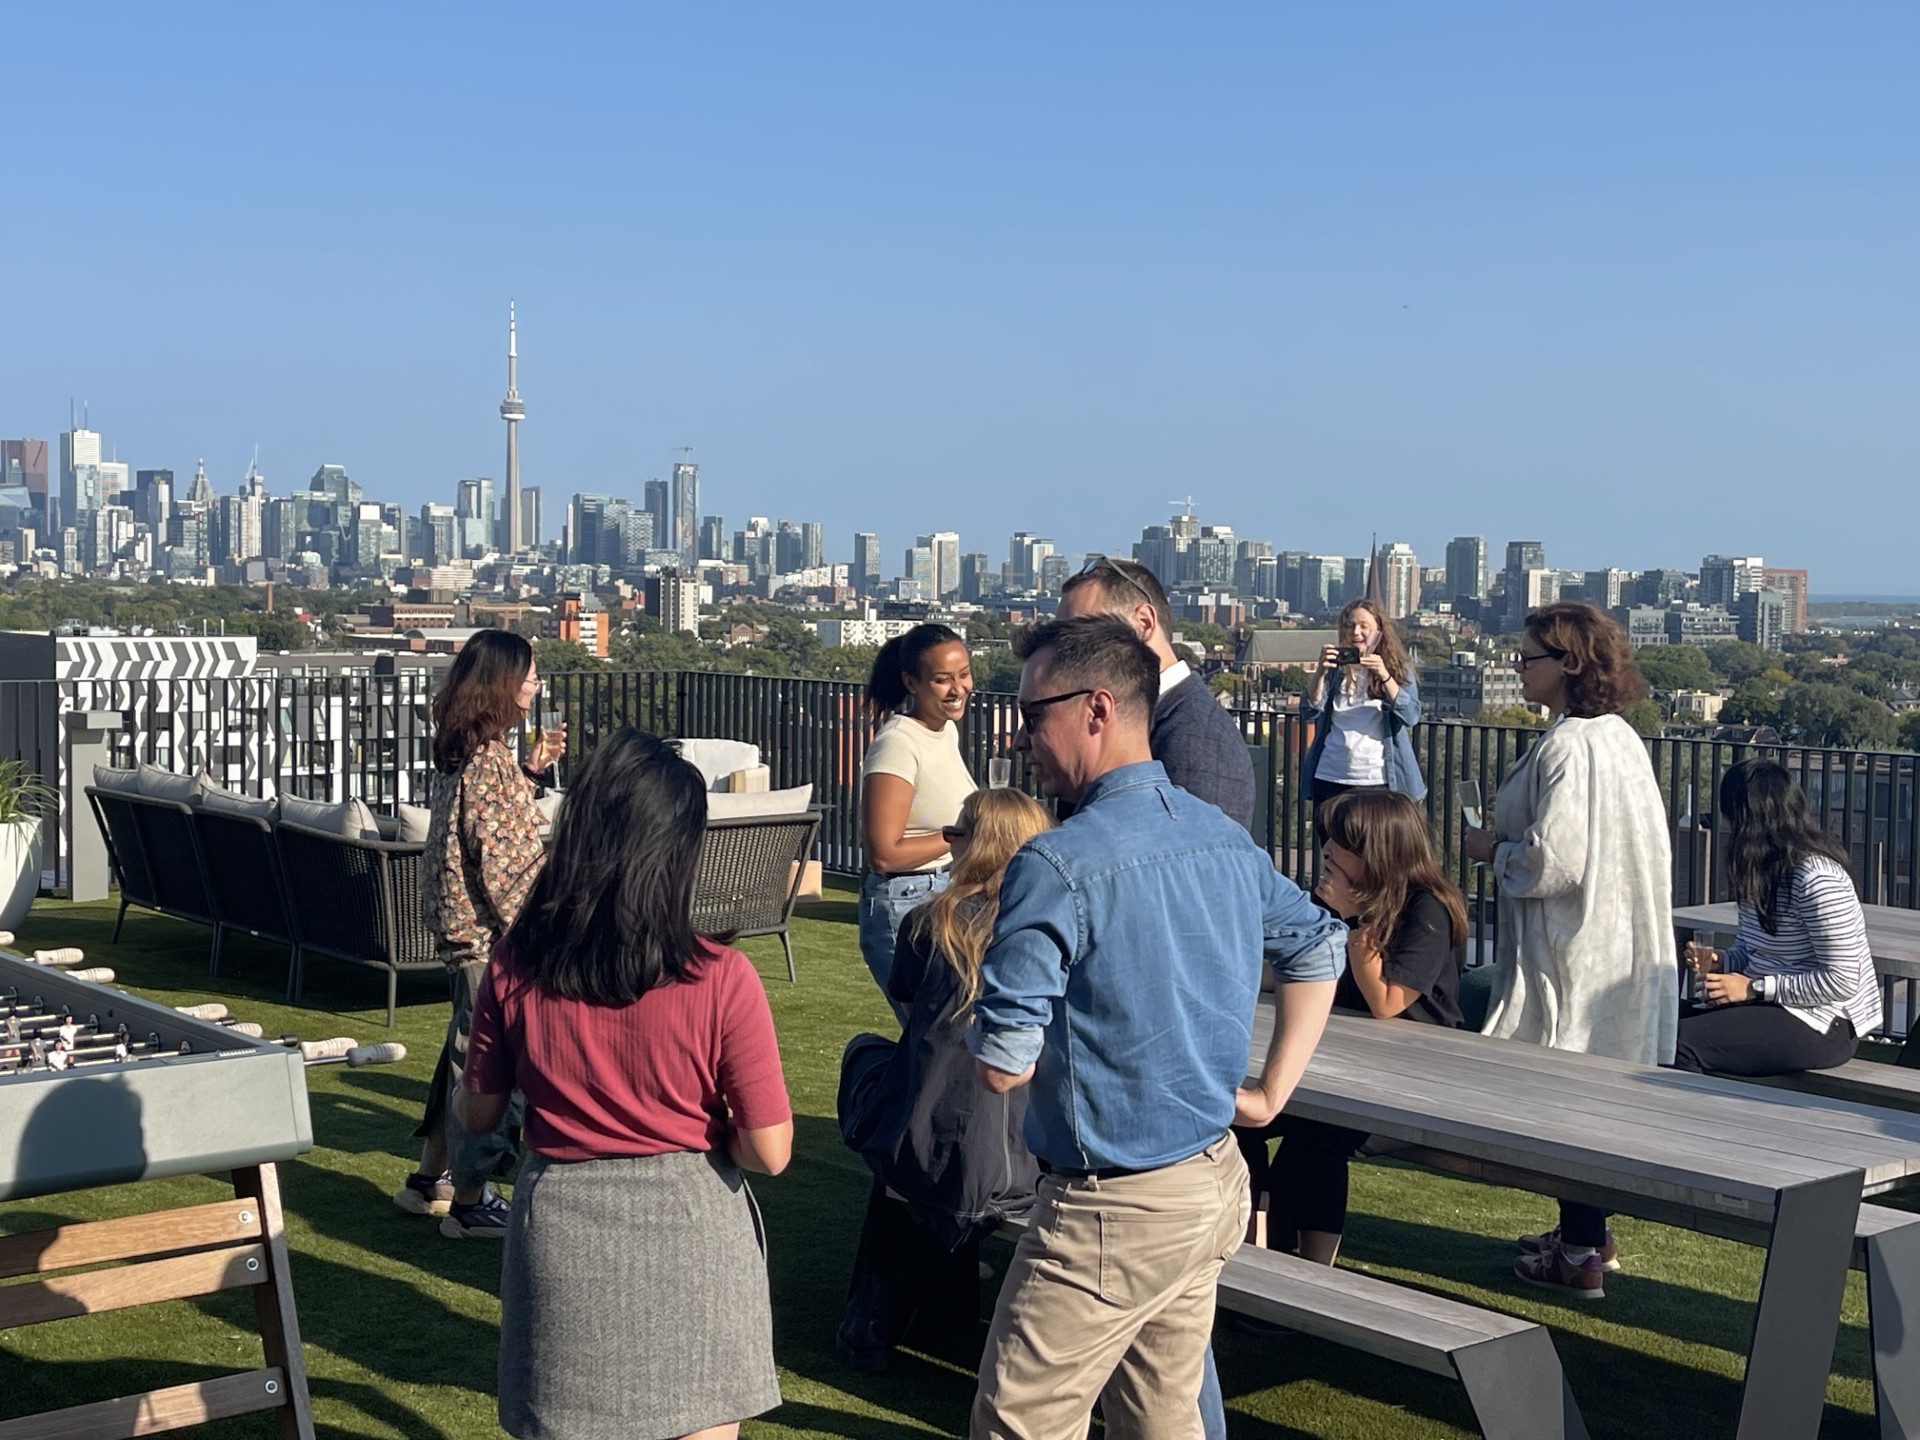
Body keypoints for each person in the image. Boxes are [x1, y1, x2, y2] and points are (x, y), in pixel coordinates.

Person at [967, 615, 1345, 1440]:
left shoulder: (1054, 863)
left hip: (1111, 1209)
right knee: (1163, 1417)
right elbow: (1320, 943)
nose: (1019, 734)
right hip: (1210, 1182)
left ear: (1096, 709)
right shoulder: (1221, 838)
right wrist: (1272, 1092)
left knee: (1017, 1424)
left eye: (1034, 714)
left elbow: (1003, 1061)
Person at [459, 728, 793, 1440]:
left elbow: (479, 1113)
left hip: (564, 1225)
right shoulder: (722, 977)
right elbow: (770, 1150)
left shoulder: (515, 966)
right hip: (693, 1220)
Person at [1055, 555, 1259, 1437]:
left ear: (1139, 629)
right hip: (1143, 1089)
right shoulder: (1171, 726)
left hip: (1154, 1082)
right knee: (1168, 1345)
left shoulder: (1195, 741)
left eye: (1079, 636)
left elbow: (1190, 911)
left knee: (1165, 1344)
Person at [1464, 602, 1675, 1299]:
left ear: (1570, 663)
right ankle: (1589, 1233)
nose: (1518, 671)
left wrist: (1490, 849)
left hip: (1574, 948)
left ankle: (1581, 1250)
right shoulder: (1620, 739)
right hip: (1619, 944)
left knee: (1569, 1096)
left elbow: (1557, 863)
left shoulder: (1569, 748)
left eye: (1528, 660)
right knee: (1597, 1091)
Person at [835, 788, 1053, 1372]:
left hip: (933, 1148)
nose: (946, 842)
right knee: (926, 1094)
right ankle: (926, 1305)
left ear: (978, 845)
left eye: (956, 833)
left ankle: (874, 1316)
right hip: (1026, 1159)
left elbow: (908, 1000)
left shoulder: (931, 923)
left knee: (875, 1064)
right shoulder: (1051, 935)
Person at [1238, 790, 1464, 1266]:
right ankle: (1255, 1255)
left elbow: (1387, 1001)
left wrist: (1356, 917)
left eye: (1339, 843)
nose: (1326, 853)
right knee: (1246, 1124)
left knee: (1316, 1137)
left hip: (1413, 1082)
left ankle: (1316, 1270)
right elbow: (1298, 972)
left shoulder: (1427, 909)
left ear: (1375, 850)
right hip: (1346, 1063)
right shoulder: (1333, 900)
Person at [396, 629, 564, 1239]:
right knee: (487, 1065)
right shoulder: (486, 759)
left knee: (462, 1052)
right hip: (489, 940)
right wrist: (547, 933)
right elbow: (505, 866)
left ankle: (430, 1178)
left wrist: (531, 771)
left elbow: (477, 831)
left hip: (459, 931)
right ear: (503, 684)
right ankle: (470, 1199)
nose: (536, 685)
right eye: (529, 676)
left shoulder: (464, 749)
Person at [1676, 760, 1880, 1075]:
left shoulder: (1817, 877)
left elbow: (1842, 981)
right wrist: (1724, 961)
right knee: (1654, 1021)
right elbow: (1753, 951)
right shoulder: (1758, 868)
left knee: (1679, 1042)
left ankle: (1700, 1119)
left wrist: (1754, 988)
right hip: (1772, 1004)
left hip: (1825, 1022)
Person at [1056, 556, 1255, 830]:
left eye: (1086, 636)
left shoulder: (1198, 736)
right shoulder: (1164, 717)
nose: (1066, 655)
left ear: (1145, 622)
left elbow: (1203, 860)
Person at [858, 624, 978, 1003]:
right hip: (906, 903)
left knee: (946, 1047)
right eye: (943, 680)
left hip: (945, 894)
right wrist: (961, 833)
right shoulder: (897, 744)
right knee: (930, 1047)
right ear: (912, 683)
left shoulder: (944, 731)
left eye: (964, 675)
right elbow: (883, 853)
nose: (958, 689)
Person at [1301, 597, 1426, 807]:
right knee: (1332, 840)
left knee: (1376, 840)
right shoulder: (1334, 670)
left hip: (1378, 779)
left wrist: (1385, 676)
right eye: (1350, 626)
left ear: (1379, 630)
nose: (1356, 632)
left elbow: (1410, 715)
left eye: (1363, 626)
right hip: (1331, 776)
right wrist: (1320, 673)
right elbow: (1309, 711)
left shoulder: (1398, 669)